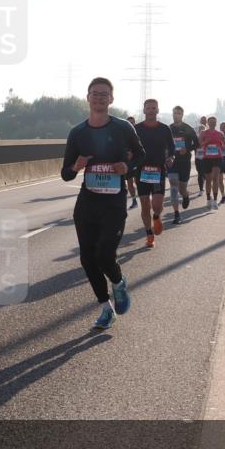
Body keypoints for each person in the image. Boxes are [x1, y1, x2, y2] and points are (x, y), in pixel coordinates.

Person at [61, 77, 143, 331]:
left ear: (112, 99)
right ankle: (105, 309)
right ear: (87, 98)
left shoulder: (122, 128)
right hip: (87, 203)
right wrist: (76, 166)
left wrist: (126, 167)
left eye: (104, 94)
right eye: (95, 94)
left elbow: (140, 155)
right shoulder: (77, 133)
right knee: (87, 259)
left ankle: (118, 283)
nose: (99, 98)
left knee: (105, 255)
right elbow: (65, 173)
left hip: (113, 203)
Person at [133, 99, 176, 248]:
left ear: (158, 110)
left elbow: (172, 148)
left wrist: (171, 157)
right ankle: (149, 234)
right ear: (144, 110)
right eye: (148, 108)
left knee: (156, 205)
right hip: (141, 171)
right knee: (145, 205)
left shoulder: (164, 129)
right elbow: (129, 146)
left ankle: (157, 217)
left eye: (153, 108)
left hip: (158, 170)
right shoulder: (136, 128)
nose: (151, 110)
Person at [168, 105, 199, 225]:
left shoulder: (188, 129)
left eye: (178, 113)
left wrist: (187, 149)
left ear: (182, 115)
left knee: (182, 189)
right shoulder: (168, 128)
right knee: (173, 187)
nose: (176, 115)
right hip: (172, 162)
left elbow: (196, 144)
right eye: (174, 113)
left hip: (184, 162)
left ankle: (185, 196)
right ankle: (177, 214)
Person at [199, 115, 225, 210]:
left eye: (214, 122)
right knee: (208, 180)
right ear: (207, 123)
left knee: (215, 178)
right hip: (207, 158)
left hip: (217, 158)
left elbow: (224, 146)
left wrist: (223, 144)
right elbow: (199, 145)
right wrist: (206, 142)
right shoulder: (203, 133)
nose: (212, 123)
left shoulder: (220, 133)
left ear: (216, 123)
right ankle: (208, 199)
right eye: (210, 122)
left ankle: (215, 200)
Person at [125, 116, 139, 209]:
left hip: (138, 162)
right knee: (130, 183)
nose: (131, 124)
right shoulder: (123, 135)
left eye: (132, 122)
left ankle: (143, 196)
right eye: (129, 123)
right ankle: (134, 200)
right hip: (128, 163)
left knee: (138, 182)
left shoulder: (139, 133)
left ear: (135, 123)